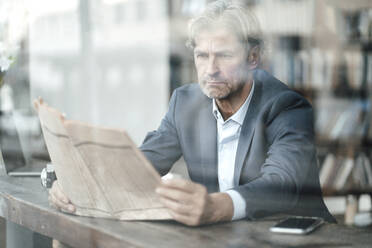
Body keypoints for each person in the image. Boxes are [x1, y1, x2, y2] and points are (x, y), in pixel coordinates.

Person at [49, 0, 336, 226]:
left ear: (253, 57)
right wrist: (75, 182)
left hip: (295, 238)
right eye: (202, 56)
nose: (210, 69)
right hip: (227, 236)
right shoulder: (185, 103)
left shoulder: (287, 106)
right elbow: (140, 166)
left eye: (224, 55)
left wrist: (215, 206)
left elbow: (281, 185)